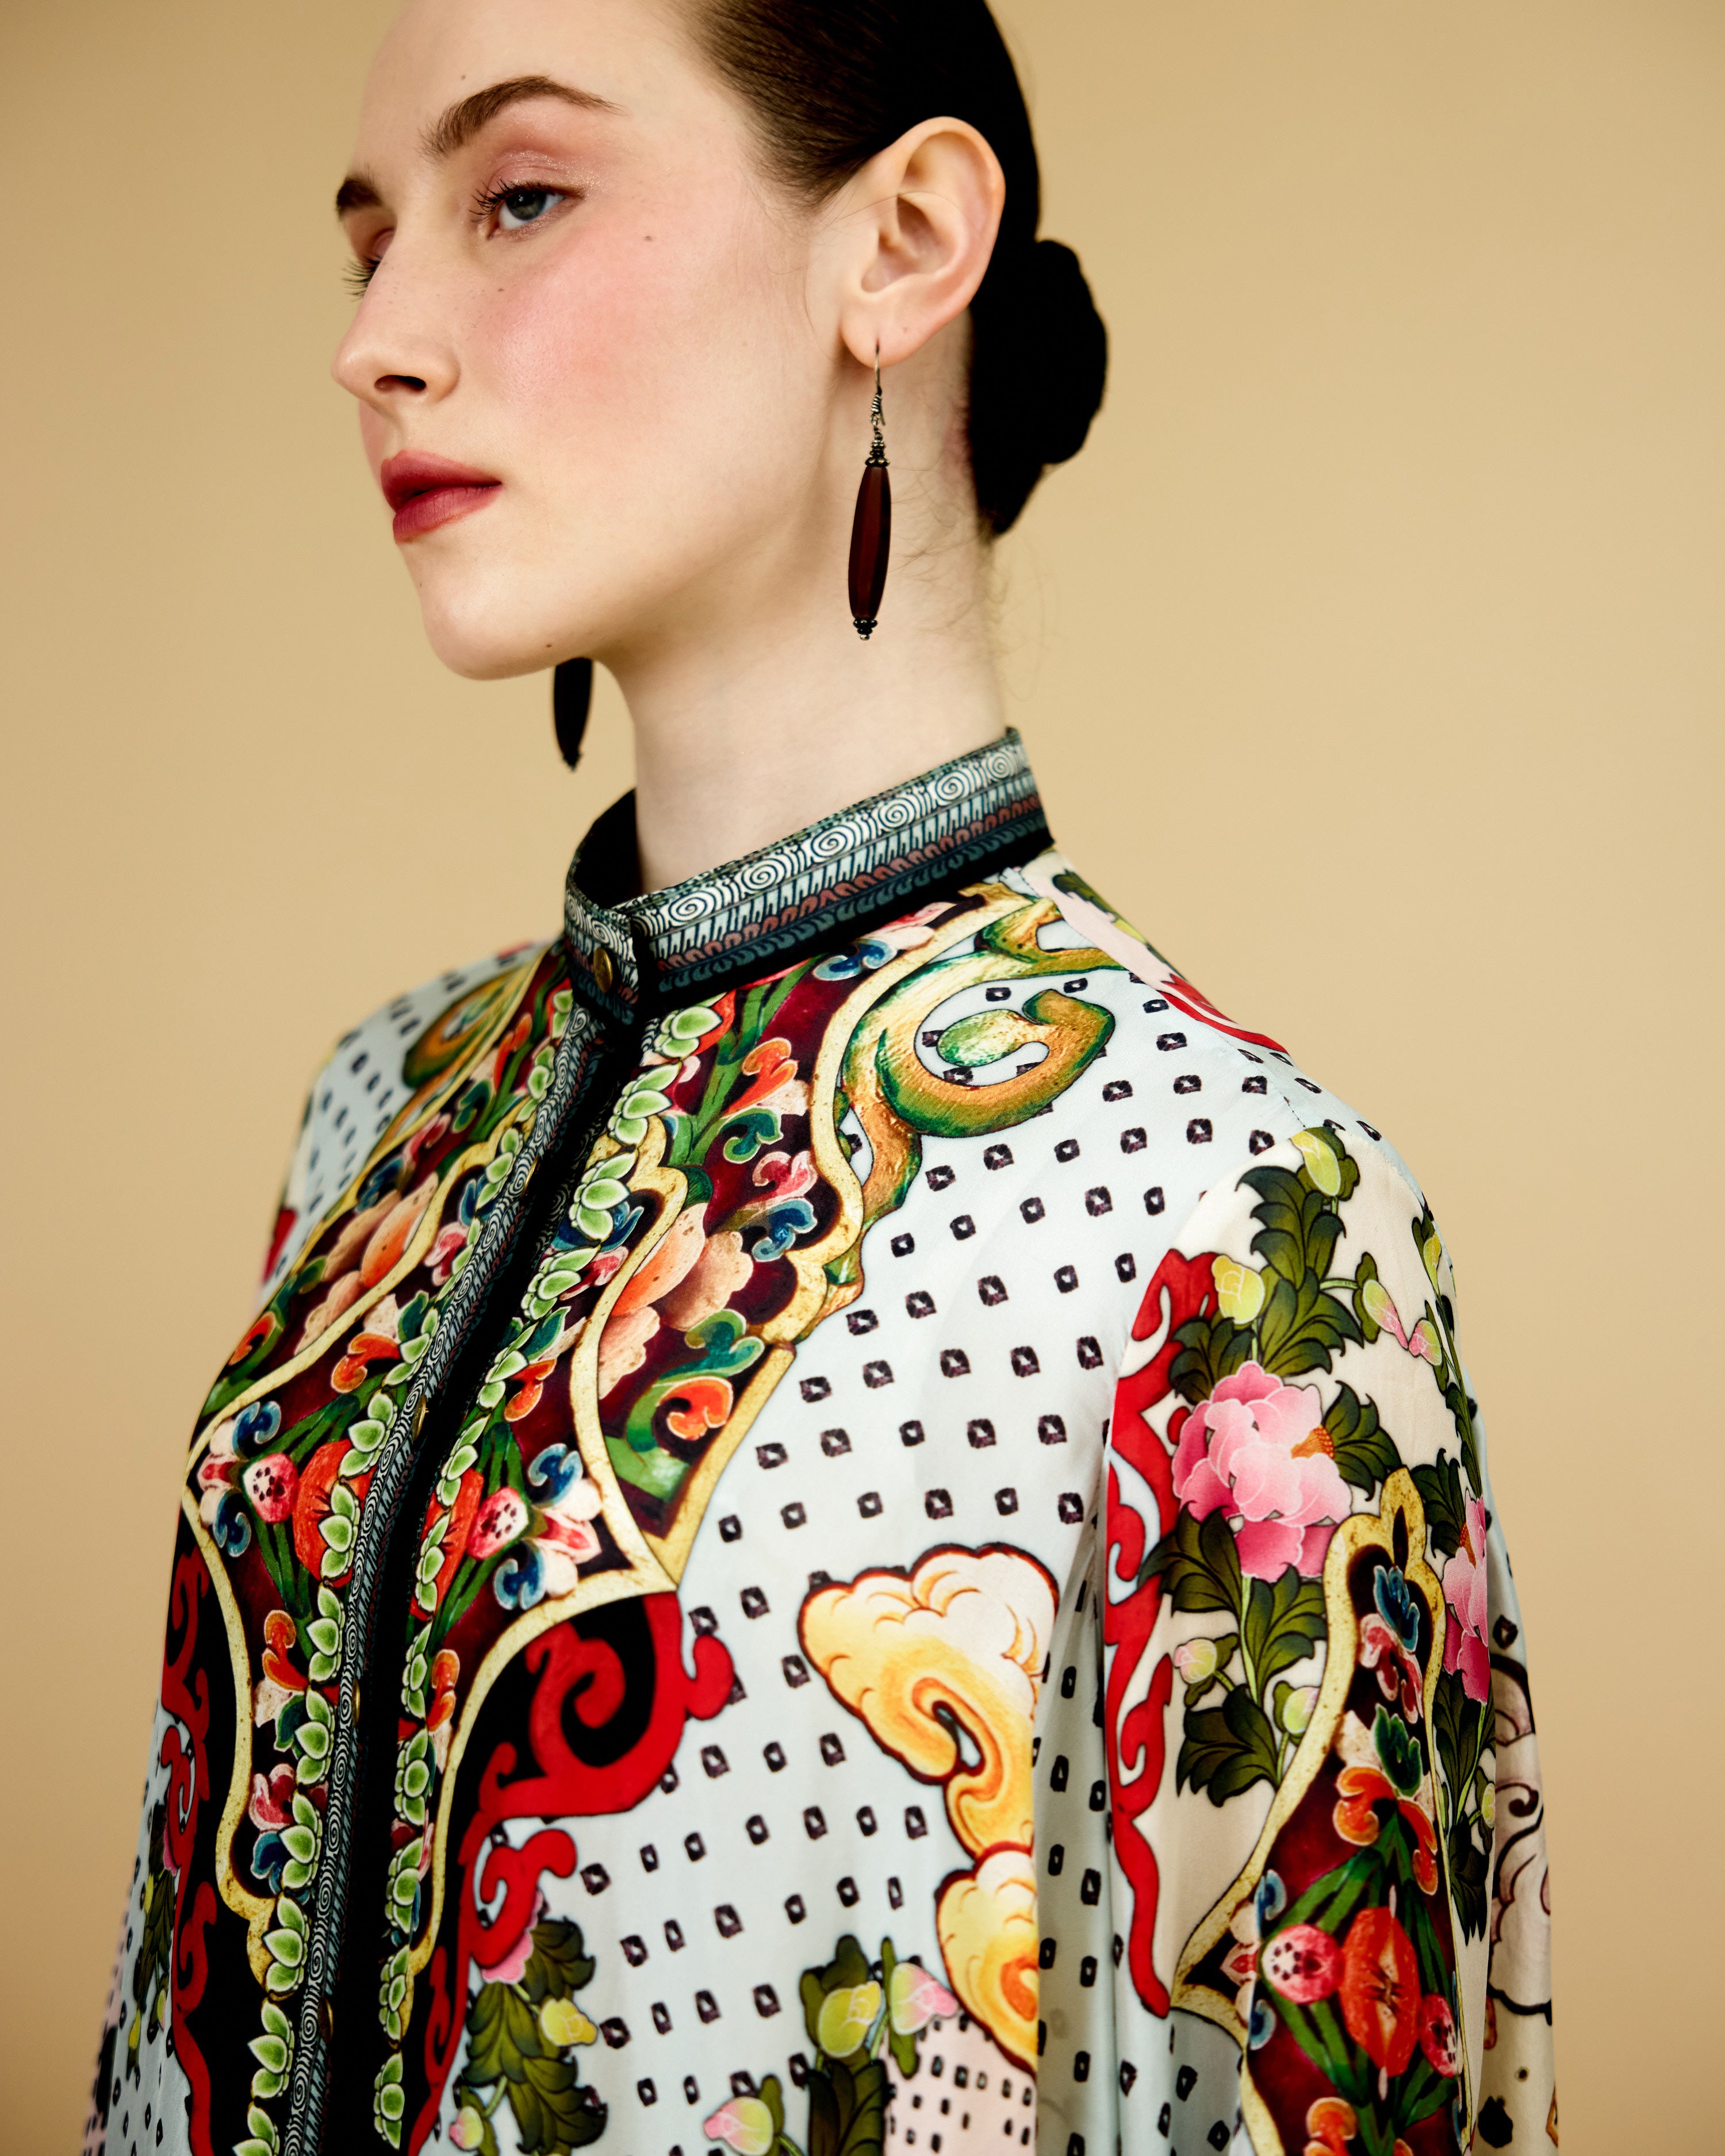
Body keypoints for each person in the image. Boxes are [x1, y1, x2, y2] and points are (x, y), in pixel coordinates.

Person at [88, 3, 1555, 2153]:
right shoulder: (378, 1107)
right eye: (369, 242)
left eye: (519, 198)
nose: (376, 341)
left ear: (902, 242)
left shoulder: (1239, 1218)